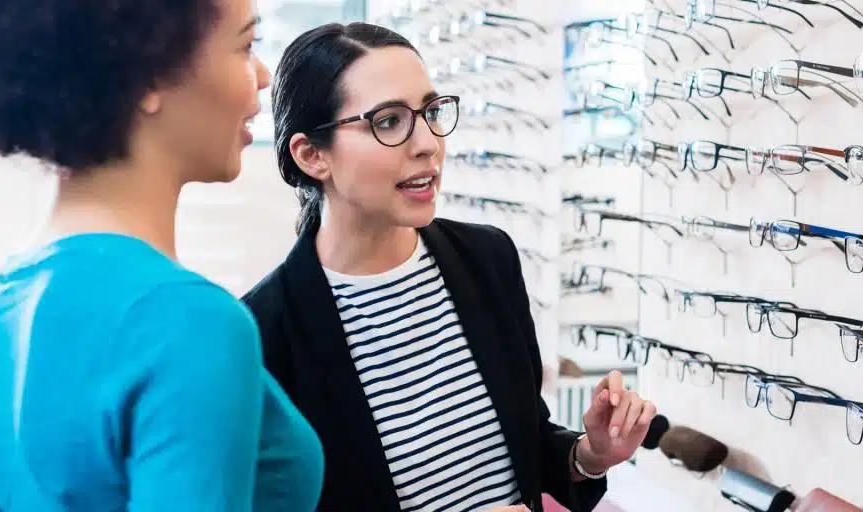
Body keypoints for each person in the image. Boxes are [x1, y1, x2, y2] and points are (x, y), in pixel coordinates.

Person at [242, 22, 657, 512]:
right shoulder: (263, 335)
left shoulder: (487, 260)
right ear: (312, 155)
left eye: (431, 112)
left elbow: (527, 445)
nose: (428, 144)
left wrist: (590, 455)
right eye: (389, 121)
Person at [0, 0, 324, 510]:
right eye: (245, 46)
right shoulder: (188, 322)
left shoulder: (10, 294)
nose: (262, 76)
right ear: (151, 73)